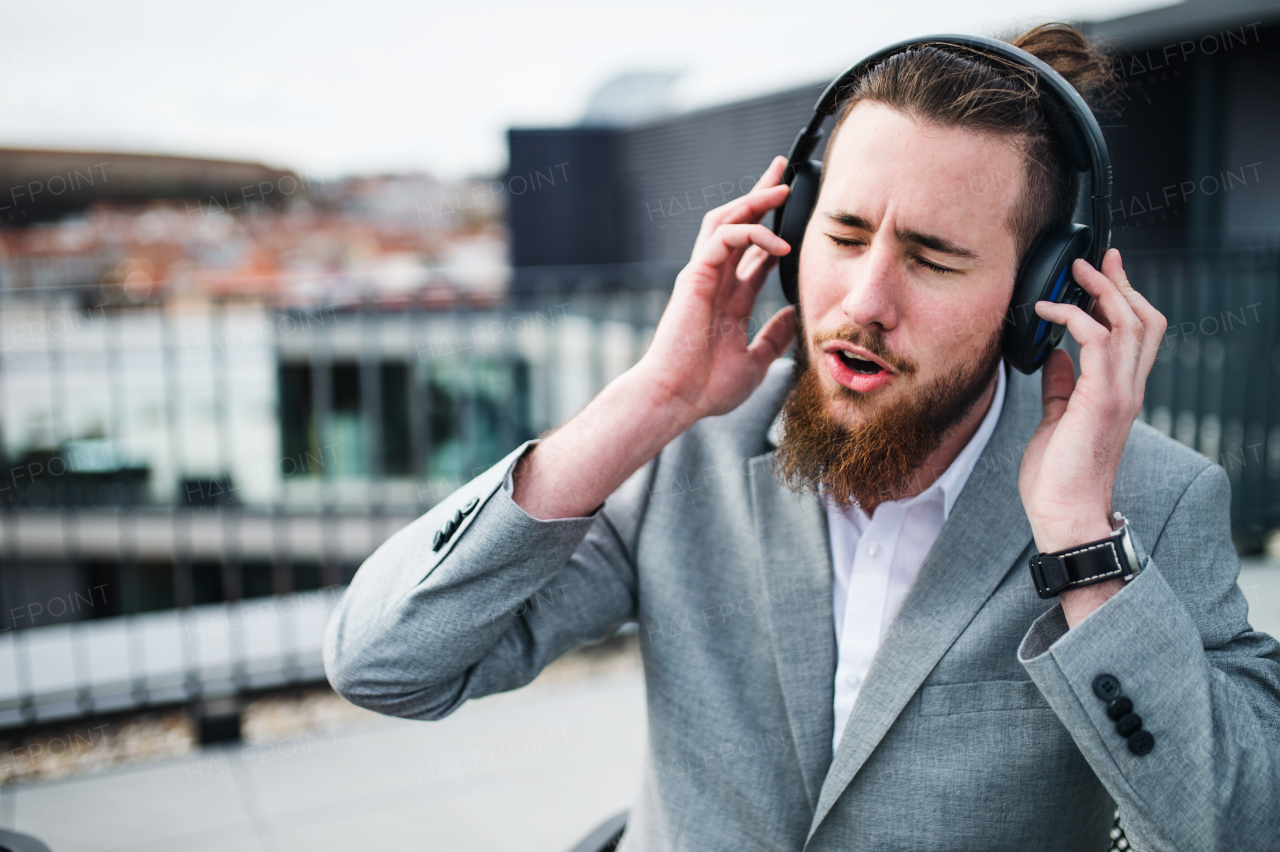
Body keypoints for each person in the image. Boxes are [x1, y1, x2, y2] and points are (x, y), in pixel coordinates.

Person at [324, 23, 1280, 851]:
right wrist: (651, 399)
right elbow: (385, 664)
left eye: (934, 258)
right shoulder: (680, 450)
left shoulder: (1144, 502)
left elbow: (1234, 828)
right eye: (846, 234)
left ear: (1041, 297)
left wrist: (1081, 547)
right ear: (788, 227)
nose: (864, 303)